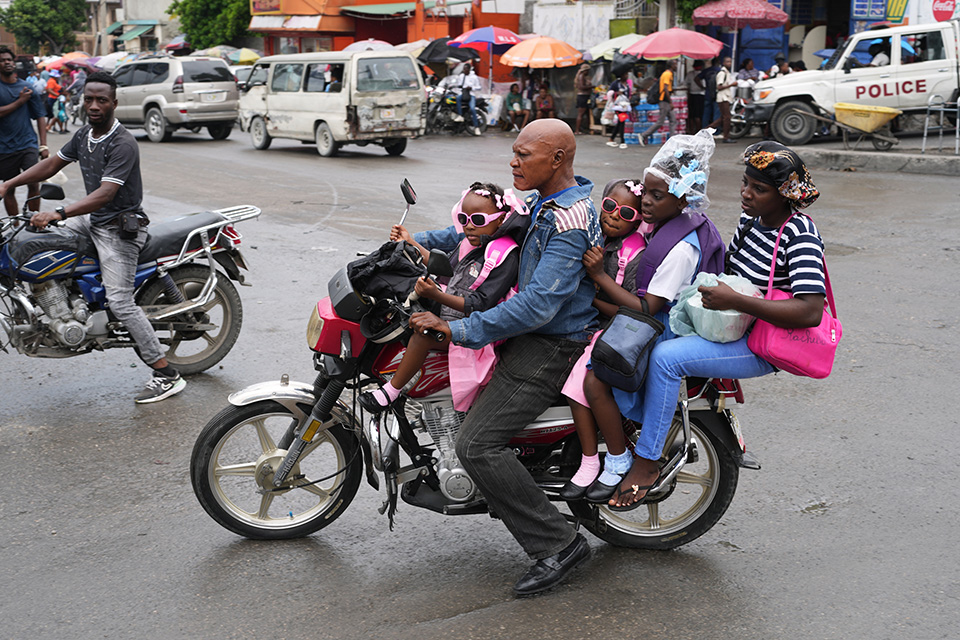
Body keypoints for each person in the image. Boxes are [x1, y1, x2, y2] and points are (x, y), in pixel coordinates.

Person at [410, 119, 600, 597]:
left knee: (475, 445)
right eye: (513, 152)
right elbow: (483, 228)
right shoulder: (541, 201)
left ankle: (558, 543)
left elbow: (538, 304)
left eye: (524, 154)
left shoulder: (570, 220)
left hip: (552, 342)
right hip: (531, 332)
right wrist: (418, 242)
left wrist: (459, 329)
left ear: (557, 159)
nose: (513, 162)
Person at [609, 140, 826, 508]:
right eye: (745, 183)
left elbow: (810, 311)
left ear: (785, 195)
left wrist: (737, 301)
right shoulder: (751, 222)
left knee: (665, 358)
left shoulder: (799, 233)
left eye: (759, 189)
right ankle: (638, 423)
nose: (746, 193)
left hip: (762, 343)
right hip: (732, 323)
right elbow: (731, 273)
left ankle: (647, 462)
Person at [0, 71, 187, 404]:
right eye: (89, 99)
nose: (94, 105)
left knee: (121, 301)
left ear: (114, 102)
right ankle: (65, 305)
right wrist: (10, 184)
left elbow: (105, 193)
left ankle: (166, 373)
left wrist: (58, 213)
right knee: (34, 242)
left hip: (118, 227)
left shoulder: (122, 142)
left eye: (102, 100)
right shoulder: (84, 134)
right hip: (93, 221)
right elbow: (52, 164)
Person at [570, 131, 724, 502]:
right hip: (650, 316)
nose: (646, 203)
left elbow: (647, 309)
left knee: (594, 381)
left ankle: (620, 460)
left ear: (686, 197)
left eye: (657, 196)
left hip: (663, 327)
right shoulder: (667, 226)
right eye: (647, 193)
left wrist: (599, 279)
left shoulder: (682, 248)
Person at [357, 182, 526, 414]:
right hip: (454, 314)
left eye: (478, 220)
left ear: (500, 219)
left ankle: (391, 392)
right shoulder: (470, 243)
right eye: (464, 219)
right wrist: (410, 243)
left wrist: (436, 295)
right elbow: (447, 269)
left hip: (478, 330)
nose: (469, 227)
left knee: (423, 334)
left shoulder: (505, 255)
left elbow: (479, 304)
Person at [558, 178, 649, 498]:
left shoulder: (635, 253)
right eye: (609, 206)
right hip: (594, 323)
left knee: (581, 386)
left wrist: (592, 290)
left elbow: (632, 309)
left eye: (625, 213)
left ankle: (611, 457)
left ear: (638, 220)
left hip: (615, 328)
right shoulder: (595, 235)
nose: (612, 215)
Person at [0, 47, 49, 218]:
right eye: (3, 60)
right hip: (4, 148)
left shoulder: (27, 87)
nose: (7, 62)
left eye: (9, 59)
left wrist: (43, 145)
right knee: (8, 188)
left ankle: (32, 222)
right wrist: (19, 101)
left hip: (28, 144)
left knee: (34, 183)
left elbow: (40, 116)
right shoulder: (20, 94)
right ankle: (13, 224)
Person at [642, 60, 678, 145]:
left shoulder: (669, 74)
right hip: (664, 101)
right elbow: (665, 88)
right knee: (660, 122)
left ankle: (672, 141)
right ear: (671, 65)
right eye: (675, 64)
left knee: (673, 120)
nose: (676, 66)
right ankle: (644, 135)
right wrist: (670, 102)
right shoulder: (667, 74)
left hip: (666, 101)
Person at [708, 56, 736, 143]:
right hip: (723, 98)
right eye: (727, 62)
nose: (729, 64)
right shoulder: (722, 73)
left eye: (730, 62)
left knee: (723, 118)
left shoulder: (727, 73)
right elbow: (719, 87)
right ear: (723, 63)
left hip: (725, 97)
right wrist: (731, 85)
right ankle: (726, 137)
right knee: (726, 117)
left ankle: (706, 130)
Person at [453, 63, 483, 136]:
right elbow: (459, 85)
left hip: (471, 95)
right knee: (457, 99)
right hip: (463, 94)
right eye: (464, 69)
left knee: (472, 109)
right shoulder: (461, 76)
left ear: (469, 69)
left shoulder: (474, 77)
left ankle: (476, 127)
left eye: (466, 69)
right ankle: (460, 116)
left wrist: (471, 88)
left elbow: (479, 87)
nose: (465, 70)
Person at [697, 57, 721, 134]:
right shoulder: (720, 71)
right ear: (718, 62)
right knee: (716, 113)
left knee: (706, 113)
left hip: (708, 94)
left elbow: (696, 78)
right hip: (717, 94)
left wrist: (702, 87)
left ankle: (704, 130)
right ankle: (715, 131)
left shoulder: (706, 71)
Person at [605, 83, 631, 149]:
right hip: (620, 111)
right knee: (621, 125)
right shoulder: (617, 95)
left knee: (619, 124)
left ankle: (612, 138)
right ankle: (622, 141)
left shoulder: (622, 95)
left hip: (622, 110)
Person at [574, 63, 593, 135]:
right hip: (582, 97)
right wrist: (591, 87)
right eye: (587, 71)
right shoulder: (581, 76)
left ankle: (587, 128)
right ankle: (577, 130)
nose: (588, 72)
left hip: (585, 96)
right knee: (581, 113)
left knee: (586, 113)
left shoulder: (582, 77)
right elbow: (582, 87)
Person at [687, 60, 705, 133]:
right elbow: (704, 85)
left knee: (691, 114)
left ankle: (692, 130)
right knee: (699, 114)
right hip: (700, 95)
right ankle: (698, 130)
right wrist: (703, 87)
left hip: (691, 95)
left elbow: (686, 84)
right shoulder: (703, 74)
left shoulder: (690, 74)